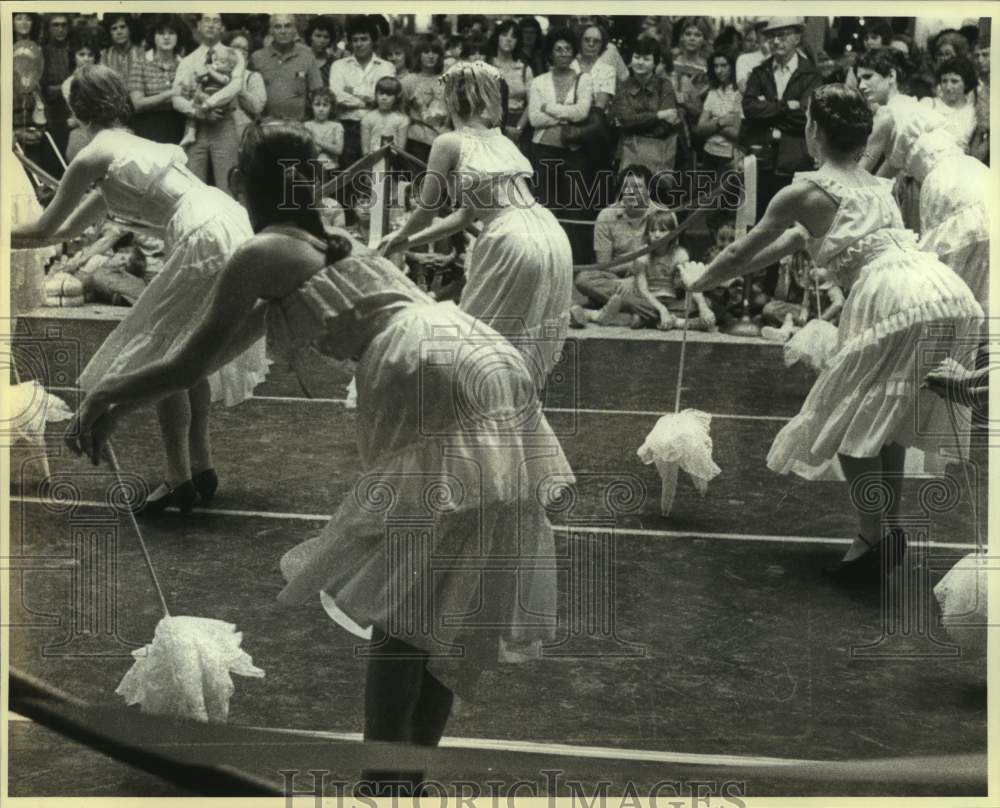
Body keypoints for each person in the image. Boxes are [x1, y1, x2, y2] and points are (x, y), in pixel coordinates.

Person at [66, 119, 570, 796]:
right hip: (474, 351)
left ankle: (382, 783)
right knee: (443, 591)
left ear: (244, 182)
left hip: (422, 368)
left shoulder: (264, 251)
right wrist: (113, 399)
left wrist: (104, 395)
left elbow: (190, 356)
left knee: (407, 595)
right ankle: (402, 780)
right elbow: (204, 358)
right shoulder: (322, 245)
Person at [680, 84, 982, 583]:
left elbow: (742, 249)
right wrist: (714, 278)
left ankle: (872, 537)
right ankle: (883, 532)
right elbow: (789, 244)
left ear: (814, 131)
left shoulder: (804, 191)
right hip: (936, 289)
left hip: (892, 297)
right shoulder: (873, 184)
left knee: (846, 421)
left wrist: (701, 279)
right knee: (884, 416)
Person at [13, 65, 268, 515]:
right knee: (185, 348)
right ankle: (198, 467)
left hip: (202, 231)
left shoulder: (92, 155)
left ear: (76, 110)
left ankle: (178, 479)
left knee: (165, 350)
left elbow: (45, 228)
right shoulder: (132, 148)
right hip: (225, 219)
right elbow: (66, 228)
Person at [379, 61, 574, 391]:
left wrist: (398, 236)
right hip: (549, 233)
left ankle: (475, 414)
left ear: (452, 100)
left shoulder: (448, 142)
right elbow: (465, 216)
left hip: (511, 236)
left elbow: (426, 210)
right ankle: (507, 409)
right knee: (517, 336)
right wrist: (404, 243)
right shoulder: (503, 140)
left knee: (477, 337)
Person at [857, 48, 990, 314]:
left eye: (868, 77)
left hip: (946, 184)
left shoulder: (887, 114)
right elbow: (884, 174)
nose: (861, 85)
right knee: (977, 278)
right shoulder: (917, 107)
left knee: (943, 285)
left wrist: (840, 194)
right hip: (973, 175)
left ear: (891, 76)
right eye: (858, 79)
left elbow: (862, 172)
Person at [741, 16, 822, 295]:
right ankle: (759, 287)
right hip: (763, 160)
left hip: (793, 161)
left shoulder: (811, 74)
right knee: (761, 223)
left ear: (797, 38)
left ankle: (789, 292)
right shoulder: (760, 72)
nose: (775, 41)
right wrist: (786, 107)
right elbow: (751, 109)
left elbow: (806, 117)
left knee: (791, 226)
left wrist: (771, 110)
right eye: (771, 36)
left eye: (783, 35)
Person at [527, 28, 594, 264]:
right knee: (547, 205)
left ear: (574, 52)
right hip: (544, 149)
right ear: (550, 54)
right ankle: (547, 260)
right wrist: (566, 115)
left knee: (574, 207)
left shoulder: (584, 80)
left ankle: (571, 262)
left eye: (568, 49)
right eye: (558, 49)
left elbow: (582, 113)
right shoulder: (538, 82)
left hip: (574, 151)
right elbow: (535, 119)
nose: (564, 53)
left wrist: (550, 109)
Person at [172, 13, 245, 195]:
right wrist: (199, 112)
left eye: (216, 21)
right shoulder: (189, 60)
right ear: (198, 25)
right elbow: (177, 97)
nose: (211, 25)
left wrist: (210, 103)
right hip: (196, 128)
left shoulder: (234, 55)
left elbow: (235, 85)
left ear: (222, 27)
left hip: (224, 122)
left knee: (229, 185)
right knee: (192, 188)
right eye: (206, 20)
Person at [328, 16, 395, 171]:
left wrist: (351, 91)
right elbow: (336, 96)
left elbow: (385, 96)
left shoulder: (387, 67)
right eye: (355, 40)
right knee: (347, 176)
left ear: (373, 40)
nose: (359, 44)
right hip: (347, 129)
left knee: (376, 175)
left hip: (378, 127)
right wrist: (367, 101)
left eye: (363, 39)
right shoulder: (338, 66)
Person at [612, 38, 683, 183]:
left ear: (655, 63)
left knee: (659, 197)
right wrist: (658, 115)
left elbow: (667, 125)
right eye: (636, 57)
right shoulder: (622, 87)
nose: (640, 62)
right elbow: (625, 120)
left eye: (646, 59)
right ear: (630, 60)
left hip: (661, 152)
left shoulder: (665, 85)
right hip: (628, 153)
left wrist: (637, 126)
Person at [250, 14, 323, 122]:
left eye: (288, 26)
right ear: (271, 31)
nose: (283, 31)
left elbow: (318, 92)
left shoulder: (307, 55)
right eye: (278, 27)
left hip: (298, 125)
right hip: (266, 126)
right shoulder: (257, 57)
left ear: (295, 30)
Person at [127, 14, 187, 145]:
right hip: (148, 128)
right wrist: (168, 94)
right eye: (160, 33)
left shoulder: (184, 64)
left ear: (178, 36)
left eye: (171, 33)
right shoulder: (140, 64)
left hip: (179, 126)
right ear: (153, 37)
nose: (166, 37)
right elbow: (137, 104)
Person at [401, 37, 450, 167]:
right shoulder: (409, 80)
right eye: (426, 52)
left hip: (443, 139)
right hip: (416, 140)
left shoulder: (447, 80)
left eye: (435, 52)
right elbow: (400, 110)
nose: (431, 56)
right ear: (418, 55)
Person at [179, 45, 239, 149]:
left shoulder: (227, 75)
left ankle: (196, 122)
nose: (217, 63)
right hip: (205, 99)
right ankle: (191, 133)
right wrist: (200, 76)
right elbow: (201, 80)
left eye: (222, 62)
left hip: (216, 102)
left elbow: (223, 81)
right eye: (215, 60)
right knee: (193, 107)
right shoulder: (212, 73)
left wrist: (211, 71)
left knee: (198, 104)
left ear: (230, 67)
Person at [696, 49, 743, 182]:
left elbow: (736, 133)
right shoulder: (713, 92)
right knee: (706, 197)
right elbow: (699, 129)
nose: (719, 71)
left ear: (732, 67)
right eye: (716, 66)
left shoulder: (739, 94)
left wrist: (711, 124)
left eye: (723, 66)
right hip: (709, 152)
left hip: (729, 156)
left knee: (725, 197)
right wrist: (721, 122)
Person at [489, 20, 533, 148]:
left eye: (513, 36)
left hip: (517, 125)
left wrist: (518, 129)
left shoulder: (525, 69)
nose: (509, 39)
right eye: (504, 35)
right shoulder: (485, 65)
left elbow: (532, 103)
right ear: (496, 37)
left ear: (518, 41)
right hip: (489, 125)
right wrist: (502, 127)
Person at [921, 56, 979, 153]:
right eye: (944, 81)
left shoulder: (973, 114)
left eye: (954, 81)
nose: (948, 87)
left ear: (967, 84)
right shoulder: (928, 104)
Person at [62, 28, 101, 162]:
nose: (86, 59)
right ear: (74, 56)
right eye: (81, 54)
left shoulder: (102, 79)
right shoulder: (68, 84)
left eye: (90, 55)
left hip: (104, 132)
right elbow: (80, 116)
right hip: (82, 133)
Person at [225, 30, 267, 143]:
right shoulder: (217, 72)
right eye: (236, 47)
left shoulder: (253, 77)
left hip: (244, 134)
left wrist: (239, 89)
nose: (240, 51)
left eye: (244, 49)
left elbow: (257, 107)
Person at [359, 75, 408, 153]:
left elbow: (401, 149)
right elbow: (365, 149)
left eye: (389, 95)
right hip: (372, 161)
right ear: (375, 95)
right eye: (381, 94)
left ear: (396, 97)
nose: (384, 97)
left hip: (393, 160)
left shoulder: (402, 120)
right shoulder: (367, 118)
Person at [304, 88, 344, 170]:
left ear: (331, 107)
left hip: (332, 169)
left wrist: (317, 141)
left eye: (325, 105)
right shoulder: (306, 125)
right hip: (311, 169)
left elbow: (339, 150)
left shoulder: (336, 126)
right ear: (311, 106)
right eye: (317, 105)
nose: (321, 109)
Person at [100, 14, 144, 82]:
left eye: (123, 27)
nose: (119, 32)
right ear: (109, 33)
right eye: (114, 28)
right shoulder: (105, 55)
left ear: (130, 29)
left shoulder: (141, 52)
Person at [304, 15, 340, 89]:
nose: (322, 41)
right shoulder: (301, 60)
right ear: (310, 36)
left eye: (326, 37)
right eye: (318, 36)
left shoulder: (334, 64)